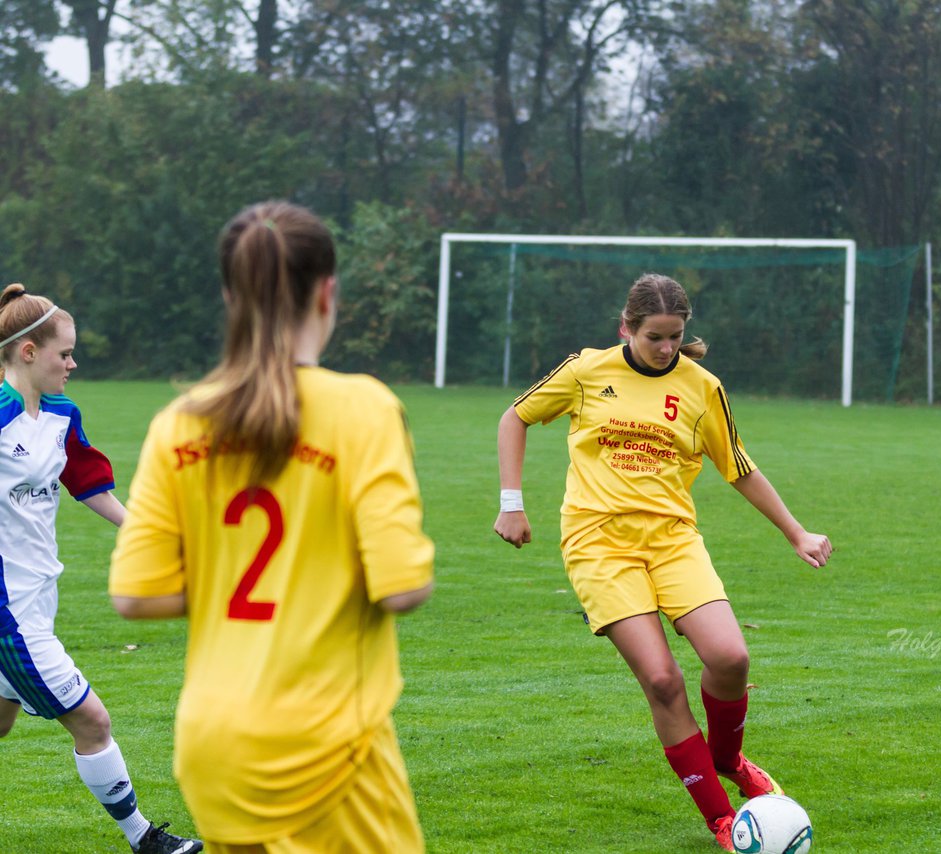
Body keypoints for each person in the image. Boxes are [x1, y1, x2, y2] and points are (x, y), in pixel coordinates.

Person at [108, 201, 436, 853]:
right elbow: (402, 587)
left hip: (212, 746)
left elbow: (135, 595)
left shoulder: (180, 423)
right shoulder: (363, 409)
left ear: (231, 295)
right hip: (327, 743)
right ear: (327, 292)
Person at [493, 273, 833, 850]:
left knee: (730, 657)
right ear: (626, 328)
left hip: (674, 540)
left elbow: (738, 466)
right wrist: (511, 504)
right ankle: (724, 821)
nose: (666, 348)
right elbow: (515, 418)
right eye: (654, 336)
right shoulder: (586, 371)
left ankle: (728, 758)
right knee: (662, 680)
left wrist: (794, 531)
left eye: (676, 336)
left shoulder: (703, 388)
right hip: (598, 544)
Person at [0, 283, 203, 853]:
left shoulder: (63, 415)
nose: (73, 362)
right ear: (28, 352)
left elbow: (88, 483)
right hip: (9, 616)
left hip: (37, 598)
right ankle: (144, 840)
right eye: (64, 353)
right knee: (93, 722)